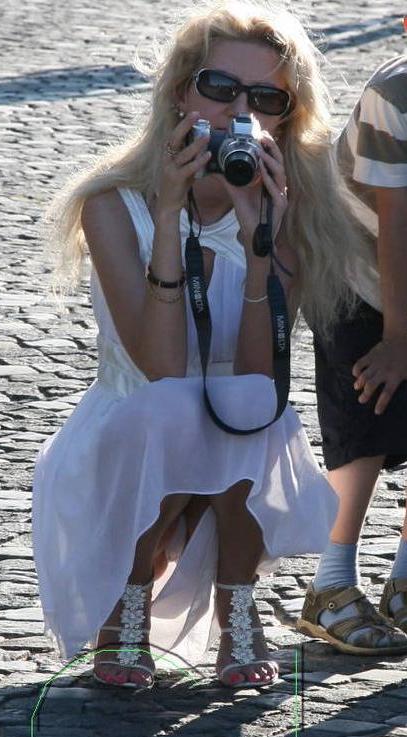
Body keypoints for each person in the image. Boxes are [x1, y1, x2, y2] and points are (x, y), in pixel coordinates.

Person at [32, 0, 370, 690]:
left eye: (263, 97)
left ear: (283, 117)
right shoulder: (112, 203)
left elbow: (254, 372)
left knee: (249, 399)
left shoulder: (287, 209)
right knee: (170, 406)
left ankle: (235, 607)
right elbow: (159, 366)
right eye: (219, 88)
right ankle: (123, 608)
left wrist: (258, 244)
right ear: (181, 91)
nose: (234, 112)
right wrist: (165, 216)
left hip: (233, 454)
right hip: (127, 442)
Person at [298, 54, 407, 655]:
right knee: (363, 413)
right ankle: (330, 584)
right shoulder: (396, 92)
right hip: (351, 264)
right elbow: (396, 224)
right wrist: (398, 340)